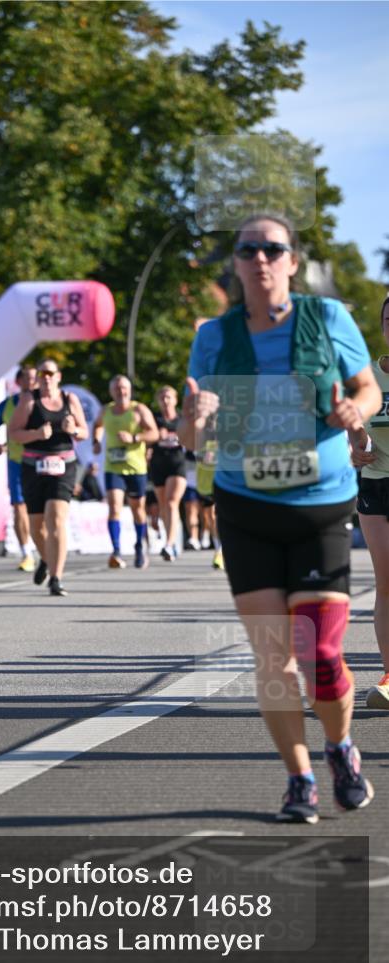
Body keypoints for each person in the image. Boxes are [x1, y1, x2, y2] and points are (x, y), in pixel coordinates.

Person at [179, 212, 381, 824]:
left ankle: (340, 746)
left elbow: (368, 387)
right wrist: (197, 413)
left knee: (320, 654)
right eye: (248, 250)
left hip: (320, 508)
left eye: (273, 249)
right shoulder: (213, 336)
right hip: (245, 508)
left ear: (292, 261)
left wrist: (356, 411)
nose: (260, 259)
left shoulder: (329, 318)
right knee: (274, 659)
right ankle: (299, 779)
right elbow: (193, 439)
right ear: (236, 264)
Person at [8, 358, 88, 596]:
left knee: (56, 519)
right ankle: (46, 559)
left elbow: (84, 431)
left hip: (63, 466)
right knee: (36, 527)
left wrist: (73, 429)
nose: (47, 377)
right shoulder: (28, 400)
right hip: (34, 466)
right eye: (42, 373)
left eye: (51, 373)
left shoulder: (69, 399)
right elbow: (13, 433)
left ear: (59, 376)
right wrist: (36, 433)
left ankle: (56, 577)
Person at [350, 293, 389, 710]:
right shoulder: (371, 379)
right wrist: (355, 447)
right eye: (388, 318)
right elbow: (356, 426)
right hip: (376, 484)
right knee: (386, 584)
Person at [93, 375, 158, 569]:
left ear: (129, 390)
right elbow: (97, 426)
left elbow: (154, 433)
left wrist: (135, 437)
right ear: (111, 391)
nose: (121, 392)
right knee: (114, 507)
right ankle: (116, 550)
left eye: (124, 388)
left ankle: (139, 545)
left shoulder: (138, 410)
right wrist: (96, 441)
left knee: (138, 508)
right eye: (117, 388)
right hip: (113, 467)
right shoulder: (106, 411)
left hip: (136, 467)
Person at [0, 366, 37, 571]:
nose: (32, 382)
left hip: (41, 463)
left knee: (40, 509)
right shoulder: (8, 405)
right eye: (27, 378)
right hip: (17, 462)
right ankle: (26, 553)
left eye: (35, 378)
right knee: (19, 508)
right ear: (19, 381)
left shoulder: (44, 401)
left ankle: (44, 548)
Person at [148, 385, 187, 561]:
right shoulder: (154, 419)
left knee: (172, 502)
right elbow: (146, 435)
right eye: (162, 397)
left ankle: (169, 544)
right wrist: (156, 435)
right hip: (158, 464)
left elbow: (193, 439)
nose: (165, 401)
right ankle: (171, 539)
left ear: (175, 400)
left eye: (169, 397)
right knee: (163, 504)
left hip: (177, 464)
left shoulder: (182, 419)